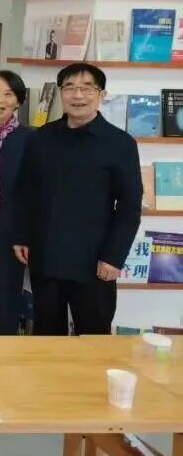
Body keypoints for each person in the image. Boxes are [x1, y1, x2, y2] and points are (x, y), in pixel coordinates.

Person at [13, 63, 141, 336]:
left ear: (101, 94)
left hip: (94, 261)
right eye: (69, 87)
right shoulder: (40, 138)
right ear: (61, 92)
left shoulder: (120, 144)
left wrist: (113, 256)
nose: (77, 95)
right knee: (47, 334)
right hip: (46, 255)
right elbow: (25, 191)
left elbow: (129, 207)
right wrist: (22, 235)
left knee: (94, 336)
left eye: (86, 88)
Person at [0, 71, 33, 335]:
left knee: (6, 301)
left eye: (8, 94)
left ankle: (3, 353)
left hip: (11, 232)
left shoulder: (31, 138)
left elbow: (34, 191)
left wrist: (25, 234)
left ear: (19, 101)